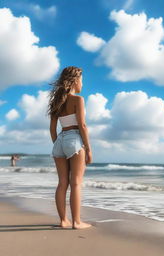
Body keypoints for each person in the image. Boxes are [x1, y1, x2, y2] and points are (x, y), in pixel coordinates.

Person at [47, 66, 93, 230]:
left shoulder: (56, 102)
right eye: (81, 80)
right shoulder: (78, 100)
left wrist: (59, 145)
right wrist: (88, 149)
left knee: (62, 183)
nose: (82, 83)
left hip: (60, 141)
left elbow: (52, 129)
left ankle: (63, 221)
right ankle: (77, 222)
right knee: (76, 183)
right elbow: (82, 125)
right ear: (75, 80)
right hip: (74, 139)